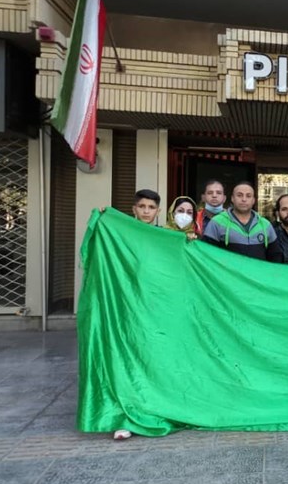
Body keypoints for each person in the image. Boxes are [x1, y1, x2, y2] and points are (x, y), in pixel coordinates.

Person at [114, 189, 162, 441]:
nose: (146, 211)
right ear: (134, 209)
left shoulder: (165, 237)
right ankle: (126, 415)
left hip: (156, 309)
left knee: (153, 359)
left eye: (151, 207)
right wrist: (104, 217)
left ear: (158, 211)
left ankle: (154, 406)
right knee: (130, 358)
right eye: (142, 206)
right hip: (129, 307)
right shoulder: (122, 234)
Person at [201, 181, 282, 261]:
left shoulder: (265, 225)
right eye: (239, 195)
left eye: (248, 196)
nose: (244, 199)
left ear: (253, 200)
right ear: (232, 198)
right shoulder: (217, 222)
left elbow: (275, 257)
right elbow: (206, 255)